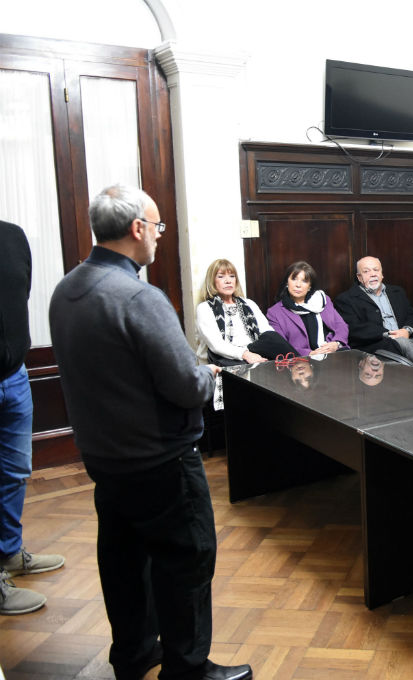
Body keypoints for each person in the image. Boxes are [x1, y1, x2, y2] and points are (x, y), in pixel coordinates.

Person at [49, 185, 252, 680]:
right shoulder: (139, 296)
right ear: (137, 228)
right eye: (158, 226)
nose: (160, 235)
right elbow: (185, 385)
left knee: (124, 560)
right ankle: (187, 669)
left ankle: (135, 652)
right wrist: (207, 375)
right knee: (187, 559)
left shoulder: (66, 288)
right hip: (159, 459)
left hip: (105, 457)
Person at [1, 220, 65, 616]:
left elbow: (17, 296)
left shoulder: (12, 236)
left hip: (14, 376)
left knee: (14, 473)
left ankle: (8, 554)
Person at [195, 258, 294, 366]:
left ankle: (299, 364)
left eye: (232, 276)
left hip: (253, 350)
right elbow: (216, 345)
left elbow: (267, 332)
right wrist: (245, 354)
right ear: (212, 281)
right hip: (225, 357)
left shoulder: (249, 303)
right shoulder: (205, 308)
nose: (228, 281)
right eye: (221, 276)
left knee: (271, 337)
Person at [266, 261, 349, 357]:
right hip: (301, 360)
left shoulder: (322, 300)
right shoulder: (275, 313)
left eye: (304, 281)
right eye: (294, 279)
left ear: (310, 286)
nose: (298, 285)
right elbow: (281, 345)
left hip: (333, 354)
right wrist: (310, 353)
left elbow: (341, 325)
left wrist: (336, 343)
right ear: (287, 282)